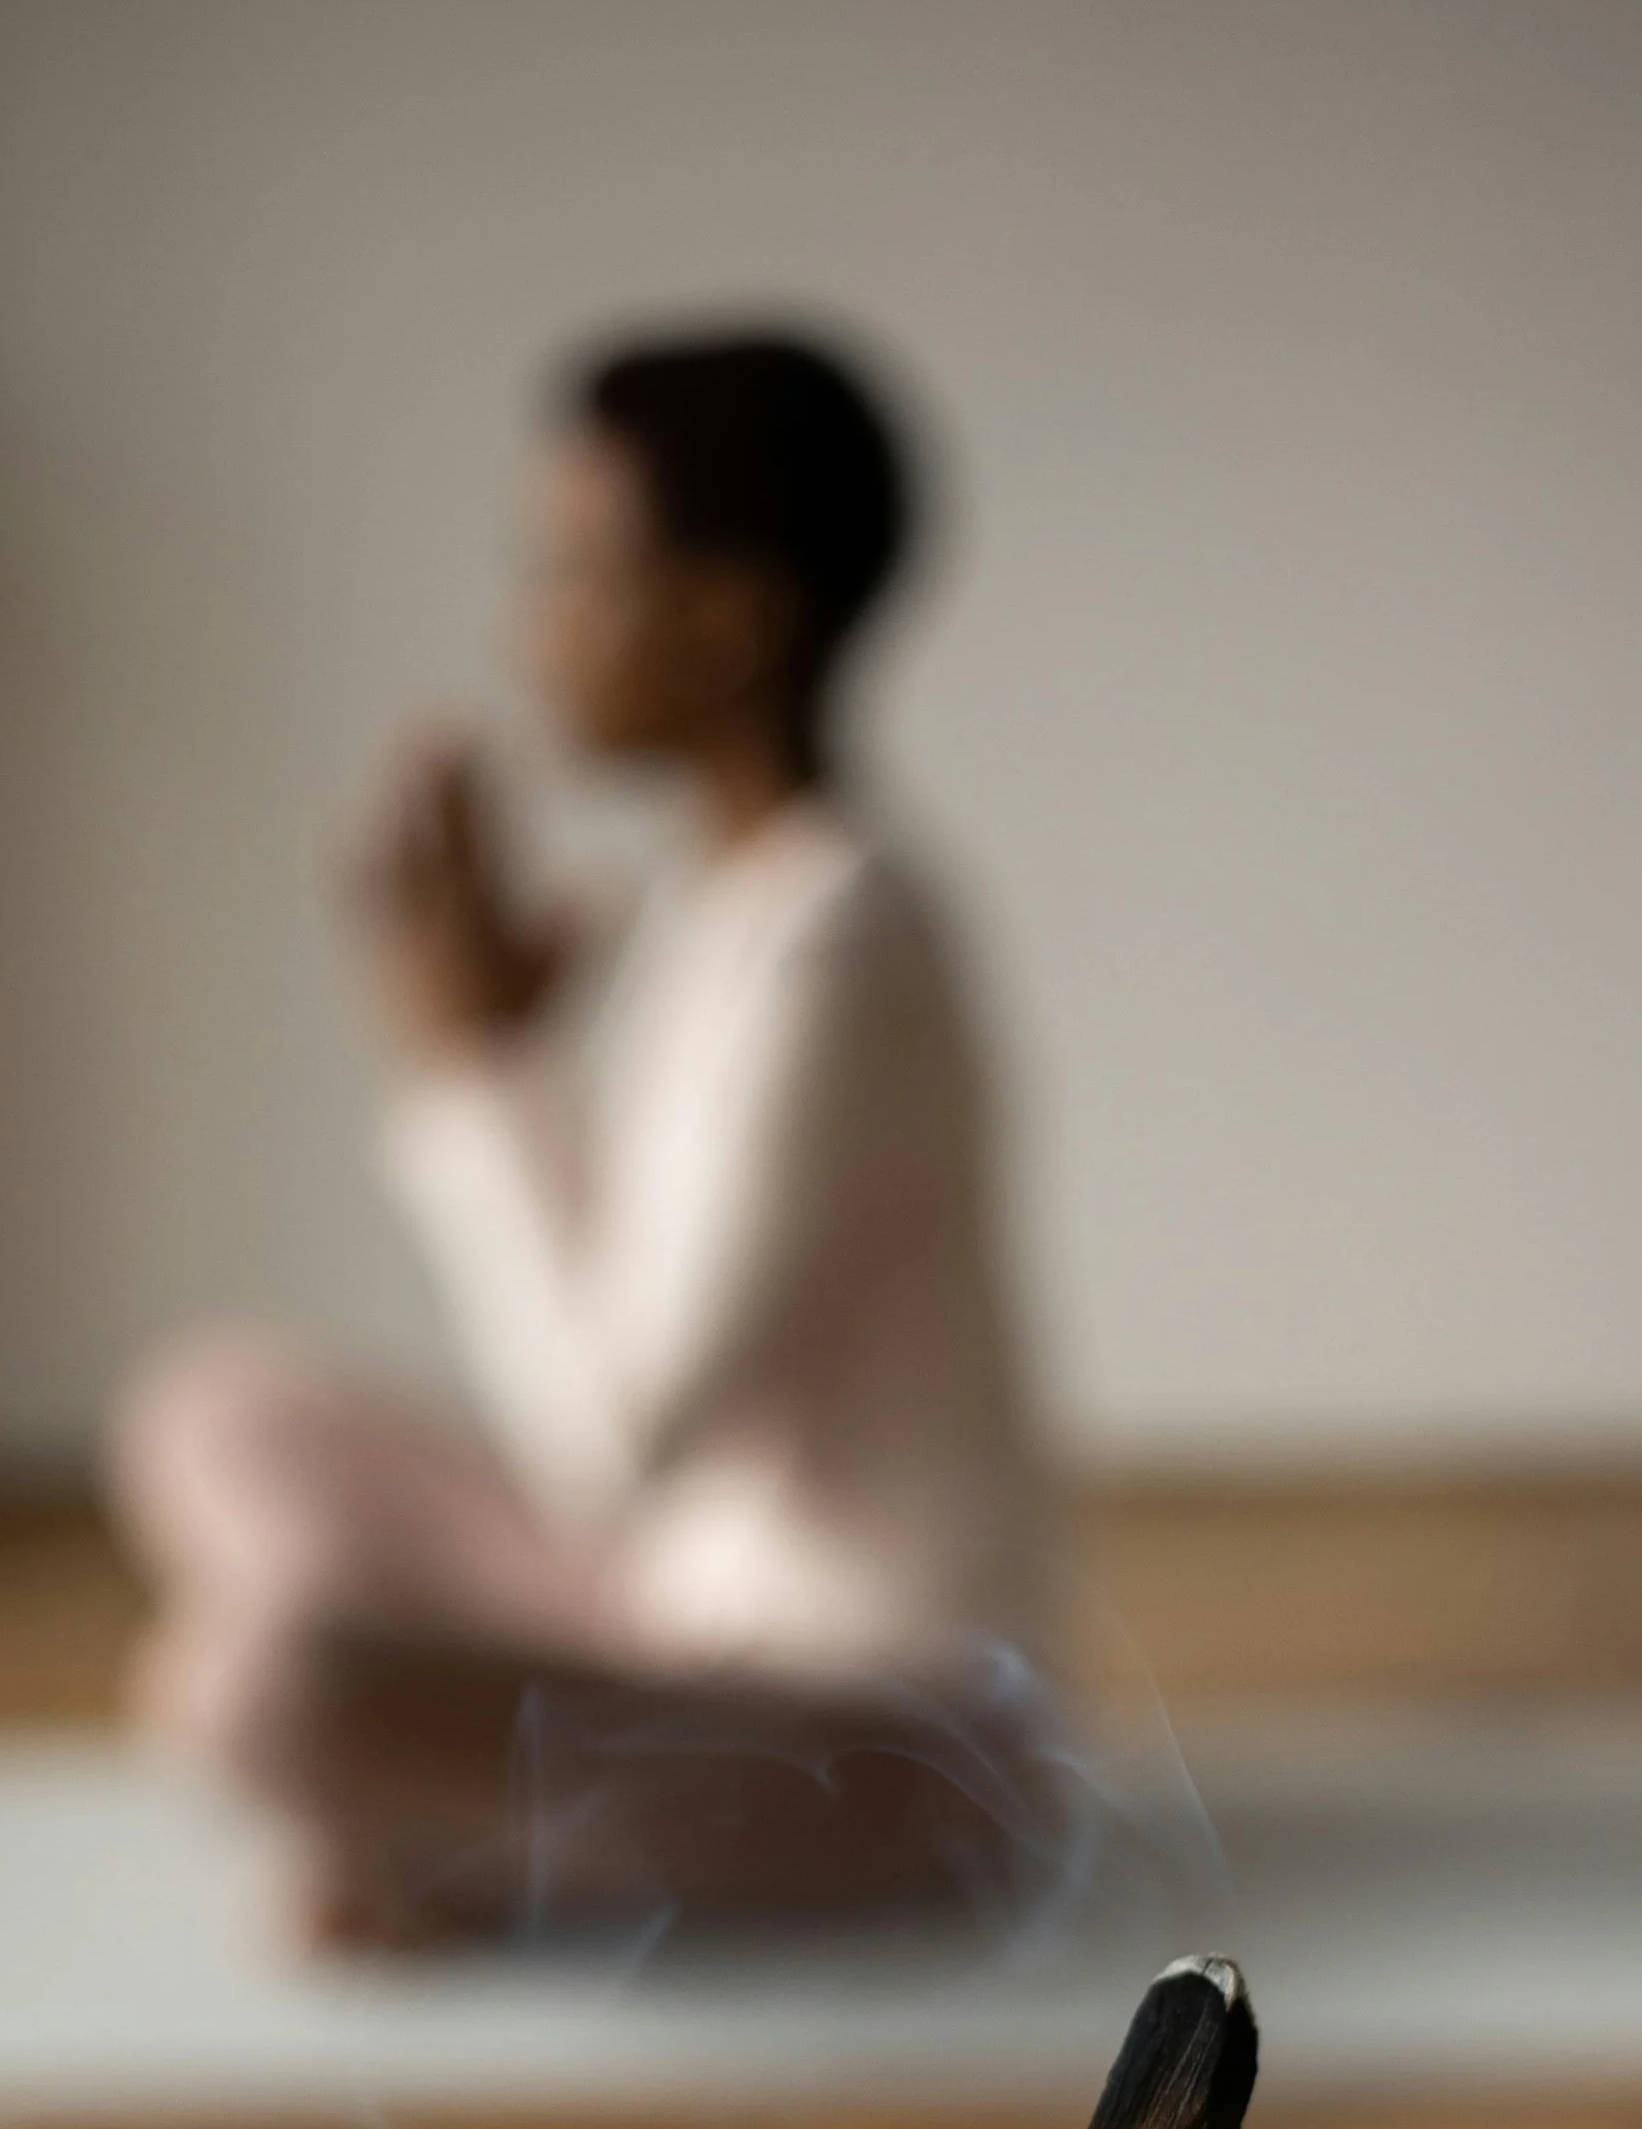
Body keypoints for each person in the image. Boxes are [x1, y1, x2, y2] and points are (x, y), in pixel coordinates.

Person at [108, 327, 1061, 1944]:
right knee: (212, 1407)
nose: (529, 628)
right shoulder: (730, 907)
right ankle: (488, 1830)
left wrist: (470, 1075)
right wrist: (512, 1060)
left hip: (892, 1740)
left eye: (571, 573)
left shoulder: (844, 949)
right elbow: (633, 1423)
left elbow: (613, 1438)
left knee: (255, 1685)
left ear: (730, 620)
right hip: (674, 1611)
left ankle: (491, 1852)